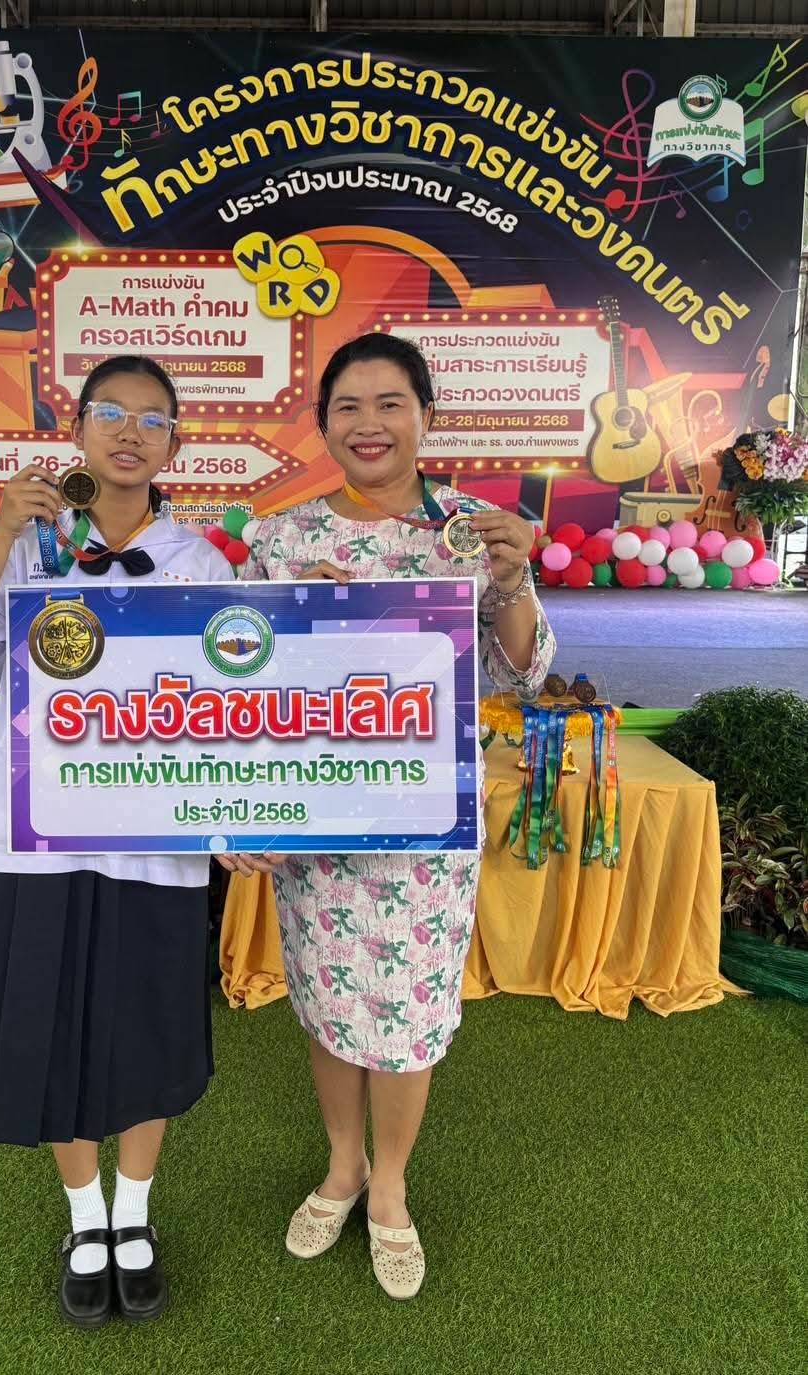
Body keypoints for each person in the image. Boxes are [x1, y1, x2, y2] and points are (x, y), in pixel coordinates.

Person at [222, 332, 556, 1300]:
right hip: (314, 822)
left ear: (425, 415)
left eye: (389, 403)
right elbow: (240, 683)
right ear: (322, 423)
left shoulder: (470, 532)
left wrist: (510, 582)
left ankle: (392, 1186)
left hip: (422, 823)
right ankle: (343, 1165)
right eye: (347, 406)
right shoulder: (282, 539)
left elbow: (523, 671)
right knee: (331, 1003)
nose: (368, 424)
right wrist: (239, 808)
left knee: (407, 1014)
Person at [0, 355, 234, 1329]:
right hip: (39, 838)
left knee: (146, 1024)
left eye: (153, 419)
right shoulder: (30, 545)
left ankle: (134, 1212)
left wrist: (237, 818)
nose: (130, 432)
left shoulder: (199, 565)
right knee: (50, 1024)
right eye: (111, 412)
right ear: (78, 429)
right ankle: (84, 1217)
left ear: (174, 443)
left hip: (157, 840)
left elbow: (232, 714)